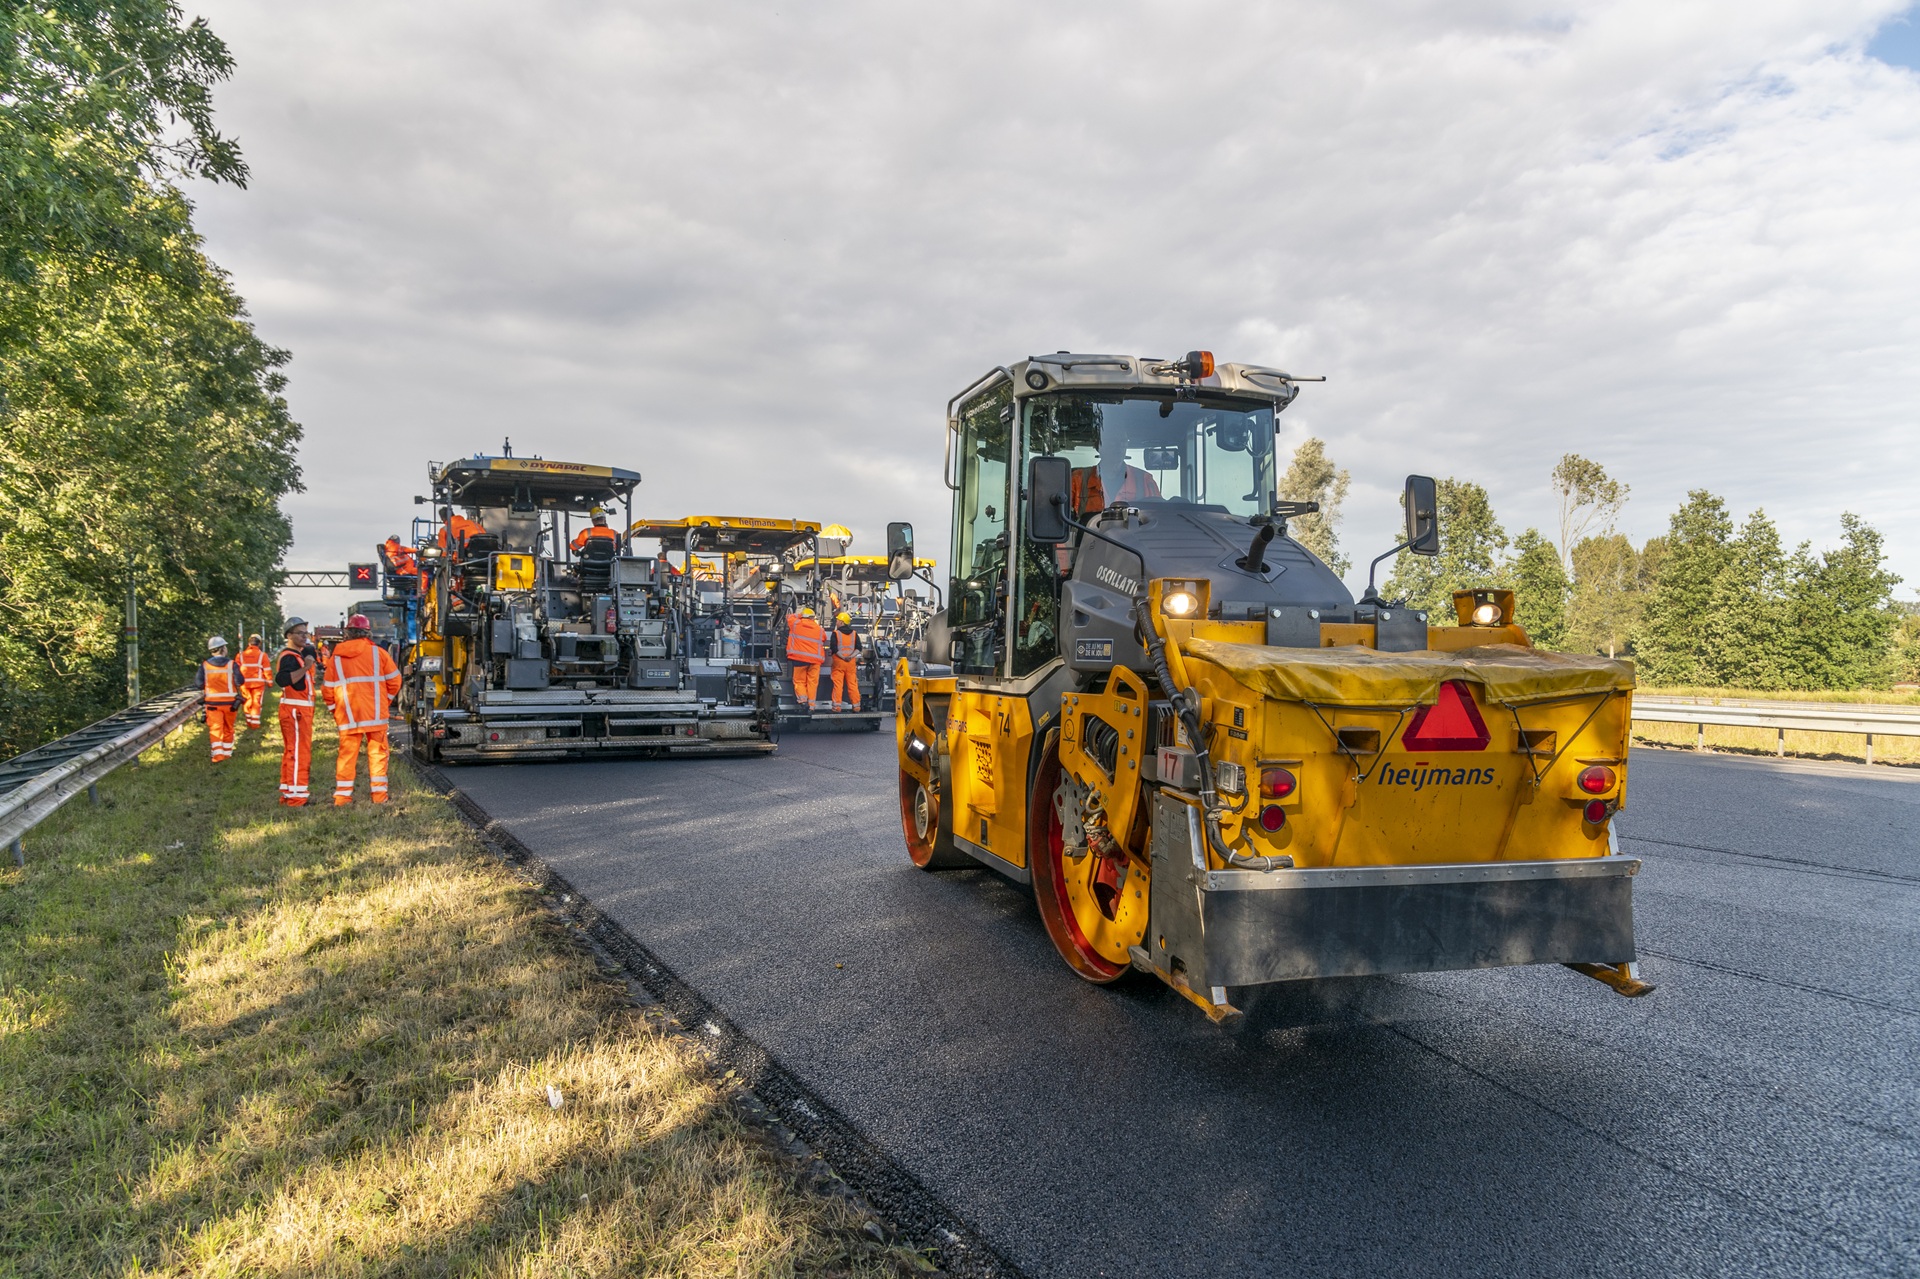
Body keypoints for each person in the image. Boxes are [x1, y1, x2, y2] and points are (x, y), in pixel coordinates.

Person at [323, 613, 403, 805]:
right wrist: (384, 701)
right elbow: (395, 681)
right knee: (378, 755)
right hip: (375, 715)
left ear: (348, 633)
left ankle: (342, 798)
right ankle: (379, 797)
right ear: (368, 632)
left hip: (348, 715)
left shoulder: (336, 658)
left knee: (346, 756)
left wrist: (335, 711)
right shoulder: (378, 654)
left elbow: (327, 690)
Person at [273, 617, 320, 806]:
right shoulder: (289, 657)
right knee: (299, 753)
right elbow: (283, 680)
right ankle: (297, 797)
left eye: (305, 633)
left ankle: (289, 792)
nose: (304, 637)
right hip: (296, 711)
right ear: (289, 635)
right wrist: (306, 667)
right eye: (300, 633)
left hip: (297, 710)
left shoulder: (296, 655)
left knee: (292, 751)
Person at [1069, 440, 1162, 516]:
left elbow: (1158, 516)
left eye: (1122, 443)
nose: (1119, 448)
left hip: (1133, 533)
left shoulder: (1145, 479)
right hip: (1088, 534)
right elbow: (1063, 517)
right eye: (1112, 442)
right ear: (1099, 447)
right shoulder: (1077, 480)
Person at [194, 636, 243, 763]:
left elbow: (199, 684)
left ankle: (217, 755)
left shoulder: (205, 665)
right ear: (223, 649)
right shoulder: (232, 664)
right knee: (228, 728)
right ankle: (227, 754)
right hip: (230, 704)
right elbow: (240, 681)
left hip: (212, 704)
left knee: (216, 729)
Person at [784, 605, 826, 711]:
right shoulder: (820, 629)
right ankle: (811, 706)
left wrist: (799, 614)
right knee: (812, 683)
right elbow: (824, 638)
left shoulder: (795, 624)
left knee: (799, 681)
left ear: (803, 616)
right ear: (812, 618)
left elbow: (789, 616)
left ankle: (803, 702)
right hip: (815, 661)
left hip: (800, 659)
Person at [828, 611, 863, 713]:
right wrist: (850, 657)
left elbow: (834, 648)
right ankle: (856, 706)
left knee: (838, 685)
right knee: (852, 684)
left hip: (839, 663)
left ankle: (837, 707)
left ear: (842, 622)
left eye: (838, 620)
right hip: (850, 663)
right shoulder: (854, 634)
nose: (836, 622)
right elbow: (859, 648)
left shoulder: (836, 634)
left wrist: (843, 657)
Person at [237, 633, 271, 729]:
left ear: (249, 643)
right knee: (256, 702)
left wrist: (236, 682)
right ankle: (255, 724)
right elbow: (267, 670)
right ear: (259, 644)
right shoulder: (262, 655)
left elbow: (236, 670)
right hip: (258, 684)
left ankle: (248, 721)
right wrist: (269, 682)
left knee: (247, 701)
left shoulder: (240, 656)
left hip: (244, 684)